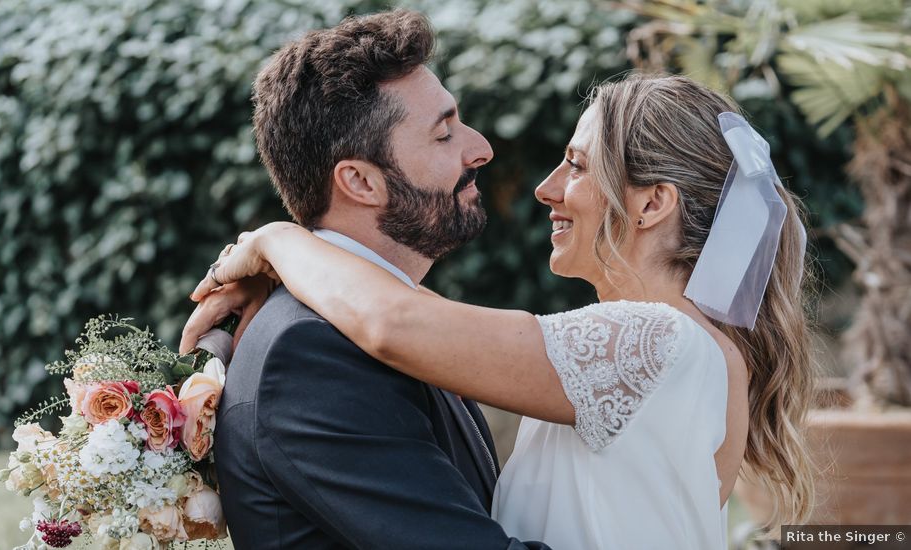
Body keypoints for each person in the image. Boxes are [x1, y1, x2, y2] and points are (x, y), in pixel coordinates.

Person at [184, 73, 819, 549]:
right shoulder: (688, 350)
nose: (546, 189)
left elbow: (395, 323)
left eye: (574, 165)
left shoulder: (657, 342)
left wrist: (277, 240)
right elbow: (403, 307)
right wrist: (294, 271)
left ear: (652, 204)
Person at [186, 9, 550, 550]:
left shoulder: (390, 319)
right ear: (360, 181)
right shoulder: (309, 354)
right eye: (444, 133)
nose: (480, 148)